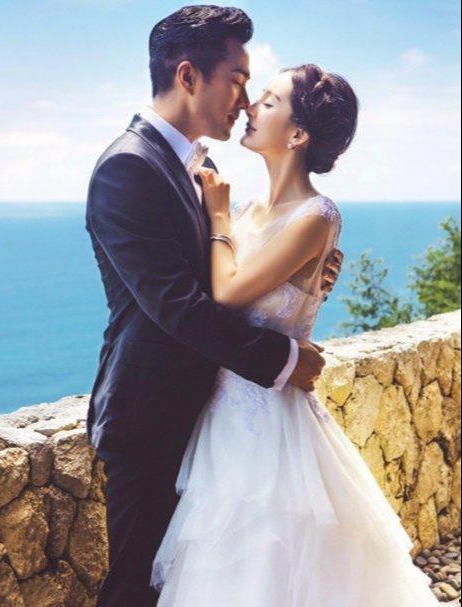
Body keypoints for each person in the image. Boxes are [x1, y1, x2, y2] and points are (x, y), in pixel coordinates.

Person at [150, 64, 440, 606]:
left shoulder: (316, 215)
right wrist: (225, 218)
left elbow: (228, 292)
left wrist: (217, 220)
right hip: (221, 419)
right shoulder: (246, 210)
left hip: (274, 423)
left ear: (298, 133)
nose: (250, 107)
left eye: (268, 101)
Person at [85, 6, 343, 606]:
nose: (245, 99)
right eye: (237, 79)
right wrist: (283, 358)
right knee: (136, 588)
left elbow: (227, 273)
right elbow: (177, 305)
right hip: (150, 417)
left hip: (211, 417)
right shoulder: (128, 166)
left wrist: (304, 276)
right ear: (187, 75)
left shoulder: (203, 167)